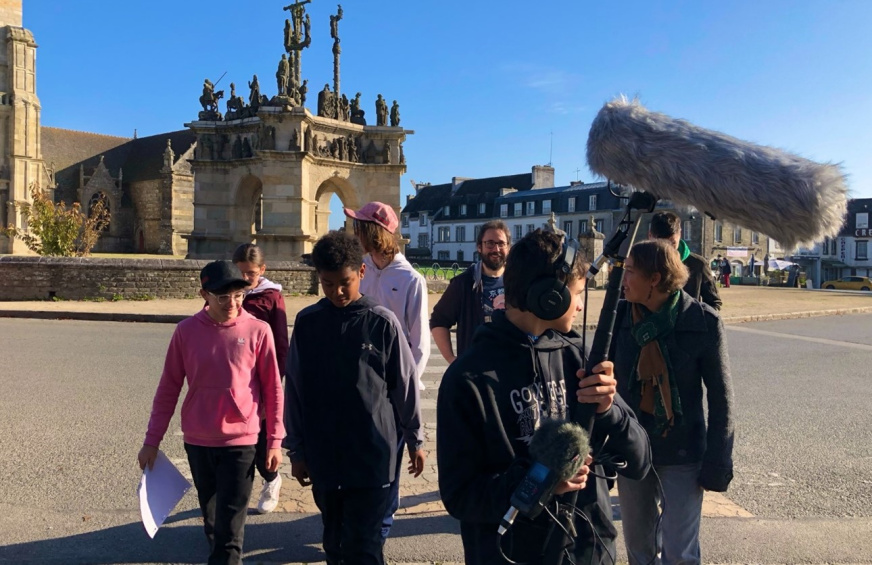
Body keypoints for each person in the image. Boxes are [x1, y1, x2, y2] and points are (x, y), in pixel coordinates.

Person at [437, 229, 652, 565]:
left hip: (588, 550)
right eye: (576, 293)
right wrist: (542, 482)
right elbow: (460, 496)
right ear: (549, 296)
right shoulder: (468, 379)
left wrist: (610, 411)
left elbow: (640, 461)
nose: (580, 305)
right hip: (509, 554)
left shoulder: (580, 360)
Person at [284, 231, 425, 565]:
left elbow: (404, 386)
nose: (337, 292)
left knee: (365, 548)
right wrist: (297, 450)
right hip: (324, 455)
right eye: (328, 284)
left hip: (373, 456)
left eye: (344, 283)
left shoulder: (382, 322)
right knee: (334, 543)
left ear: (361, 272)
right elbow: (295, 390)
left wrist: (415, 438)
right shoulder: (307, 323)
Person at [137, 260, 284, 565]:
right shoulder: (186, 332)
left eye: (239, 295)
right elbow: (168, 388)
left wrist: (274, 441)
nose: (232, 303)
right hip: (198, 440)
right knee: (212, 521)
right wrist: (152, 441)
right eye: (223, 297)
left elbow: (273, 390)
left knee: (230, 532)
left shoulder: (258, 330)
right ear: (204, 294)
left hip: (241, 441)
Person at [611, 239, 734, 565]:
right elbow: (603, 384)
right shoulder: (618, 317)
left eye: (630, 271)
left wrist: (717, 461)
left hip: (683, 451)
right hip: (631, 450)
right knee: (639, 550)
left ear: (654, 279)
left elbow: (721, 398)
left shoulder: (703, 322)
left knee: (680, 554)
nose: (623, 278)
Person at [343, 201, 429, 542]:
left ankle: (380, 529)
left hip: (392, 390)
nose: (354, 232)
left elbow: (419, 344)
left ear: (374, 232)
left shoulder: (411, 280)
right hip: (358, 384)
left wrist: (404, 390)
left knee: (387, 462)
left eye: (359, 226)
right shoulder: (360, 270)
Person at [231, 243, 289, 514]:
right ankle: (235, 490)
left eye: (251, 274)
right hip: (232, 378)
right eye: (240, 273)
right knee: (235, 441)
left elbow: (281, 346)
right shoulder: (225, 292)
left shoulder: (271, 297)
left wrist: (272, 388)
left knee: (262, 441)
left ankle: (271, 479)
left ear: (262, 270)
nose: (244, 279)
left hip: (261, 379)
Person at [430, 220, 511, 363]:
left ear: (508, 247)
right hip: (476, 368)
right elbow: (438, 321)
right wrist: (452, 360)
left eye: (501, 243)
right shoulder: (463, 284)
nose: (496, 249)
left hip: (511, 365)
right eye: (490, 243)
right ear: (479, 247)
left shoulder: (517, 282)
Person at [648, 211, 722, 310]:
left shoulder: (698, 264)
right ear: (650, 236)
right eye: (661, 244)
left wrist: (697, 317)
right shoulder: (638, 264)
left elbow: (714, 303)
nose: (667, 249)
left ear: (680, 234)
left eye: (672, 243)